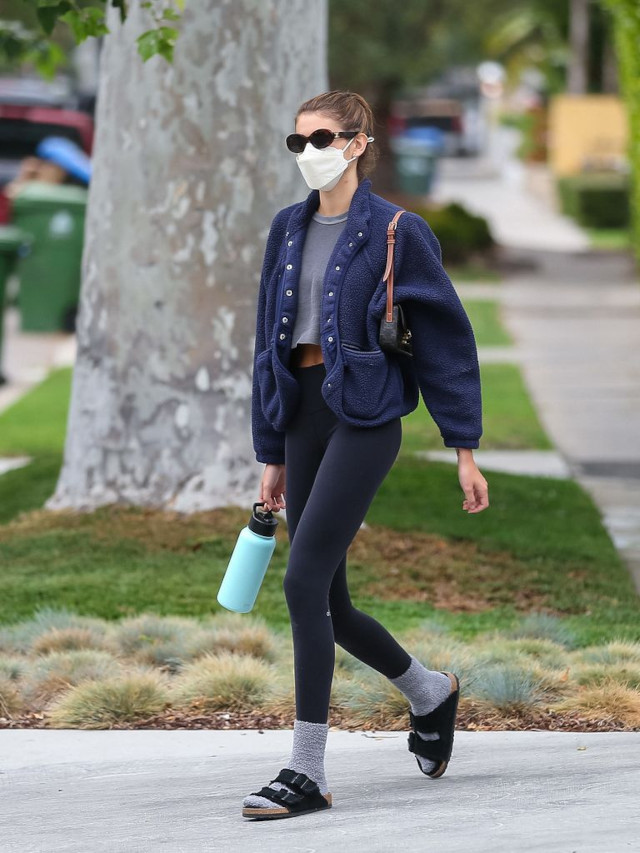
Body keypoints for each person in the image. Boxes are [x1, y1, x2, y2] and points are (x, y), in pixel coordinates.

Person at [244, 90, 489, 820]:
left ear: (357, 144)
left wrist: (464, 447)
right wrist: (271, 447)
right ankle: (429, 691)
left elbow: (447, 338)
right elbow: (269, 342)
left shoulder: (396, 230)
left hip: (368, 415)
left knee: (302, 581)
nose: (308, 152)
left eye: (321, 138)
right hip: (304, 413)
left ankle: (307, 771)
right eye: (297, 141)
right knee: (333, 602)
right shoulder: (287, 228)